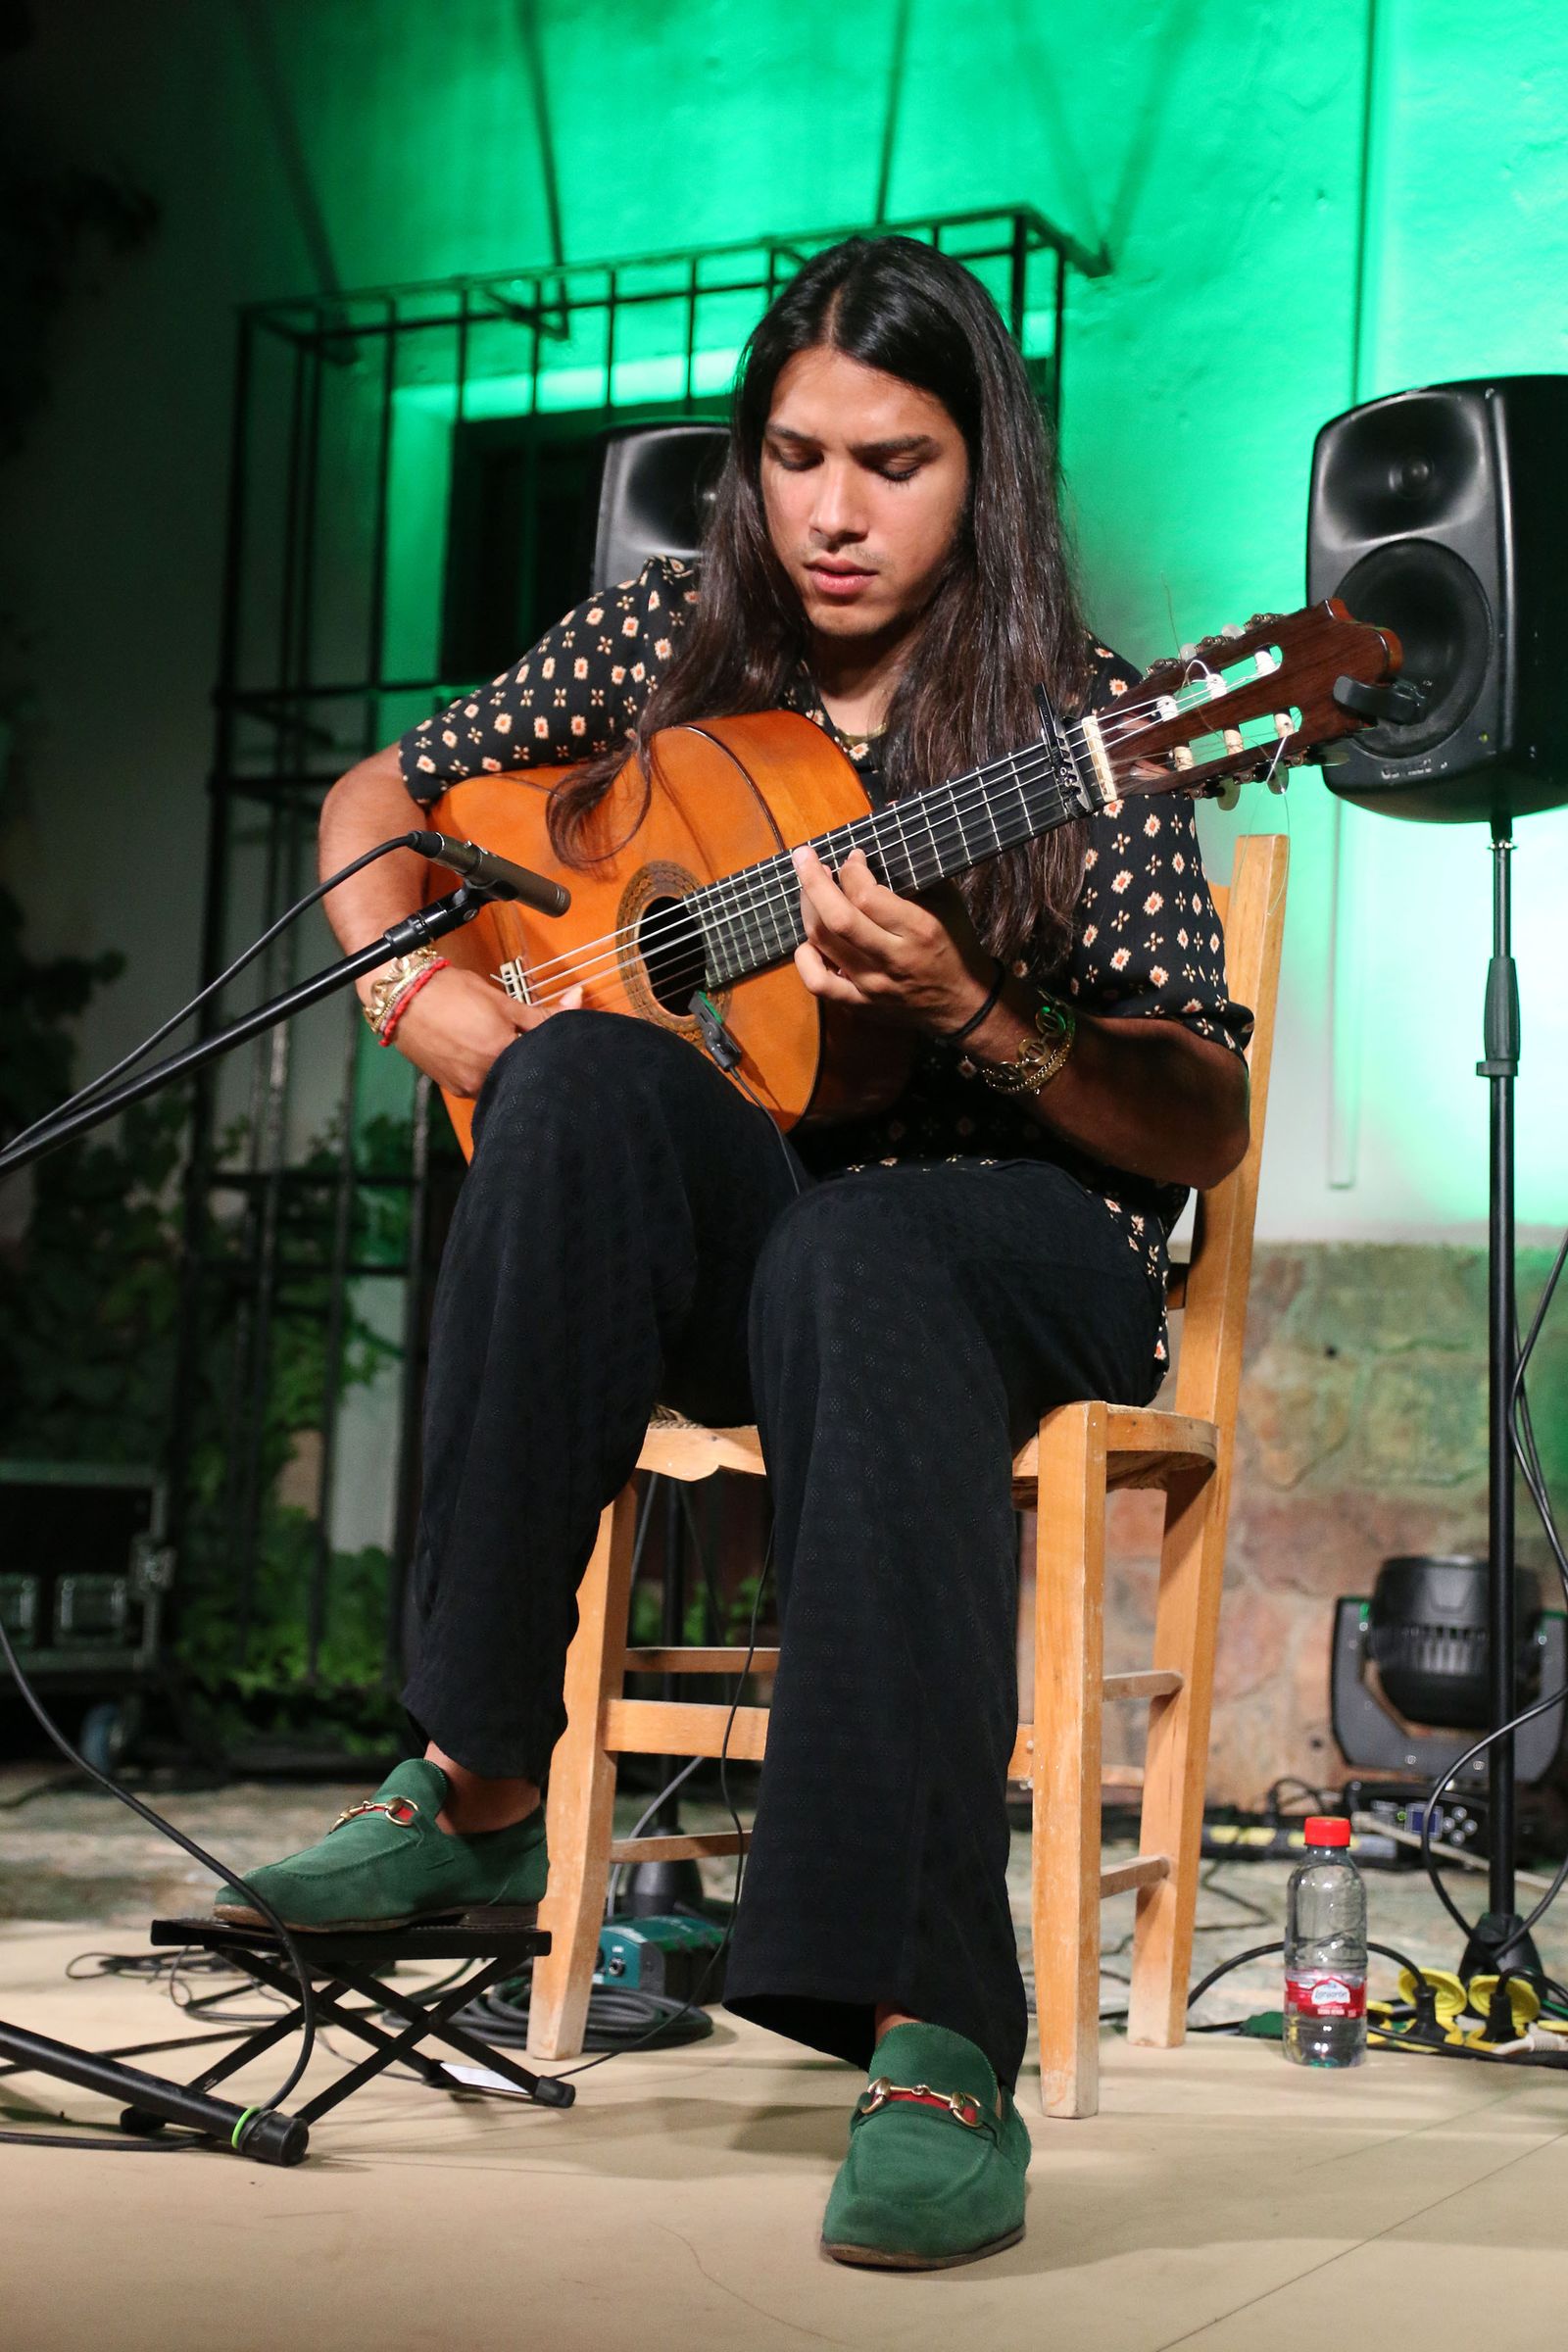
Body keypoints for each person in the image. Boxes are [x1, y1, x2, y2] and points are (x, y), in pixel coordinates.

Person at [219, 235, 1251, 2270]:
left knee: (867, 1262)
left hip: (1017, 1245)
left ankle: (933, 2021)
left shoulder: (1087, 725)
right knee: (580, 1081)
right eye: (794, 455)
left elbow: (1195, 1111)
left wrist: (977, 1013)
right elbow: (384, 790)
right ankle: (473, 1788)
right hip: (764, 1241)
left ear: (986, 473)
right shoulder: (657, 648)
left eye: (896, 460)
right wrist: (405, 983)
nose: (836, 510)